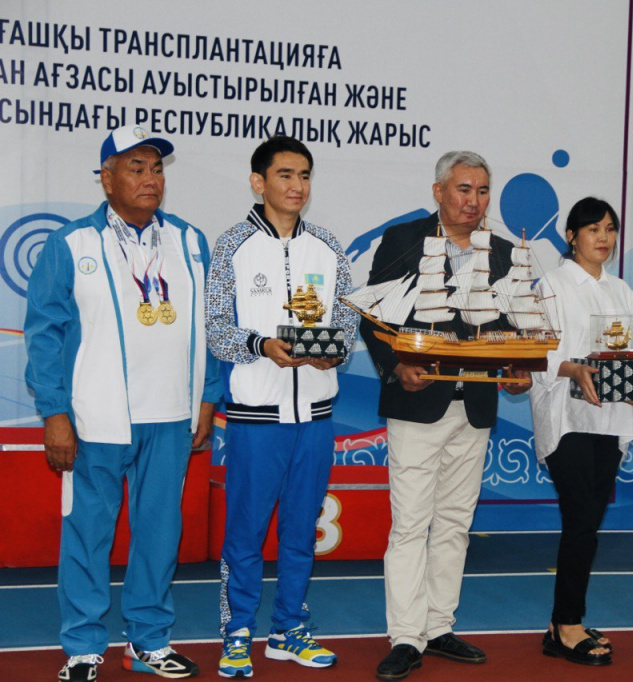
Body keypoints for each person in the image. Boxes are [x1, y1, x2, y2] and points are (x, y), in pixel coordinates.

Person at [25, 125, 220, 681]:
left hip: (171, 417)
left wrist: (206, 398)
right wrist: (55, 414)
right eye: (135, 168)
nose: (150, 179)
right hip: (95, 417)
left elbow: (208, 327)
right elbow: (45, 334)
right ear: (106, 178)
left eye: (156, 168)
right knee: (88, 534)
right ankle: (84, 648)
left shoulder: (188, 240)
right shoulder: (70, 244)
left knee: (159, 534)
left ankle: (149, 641)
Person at [362, 151, 533, 681]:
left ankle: (439, 626)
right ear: (438, 191)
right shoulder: (403, 241)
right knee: (411, 523)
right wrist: (396, 364)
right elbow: (375, 315)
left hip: (477, 405)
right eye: (463, 189)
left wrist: (518, 370)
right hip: (417, 404)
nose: (473, 201)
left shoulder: (503, 253)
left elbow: (515, 326)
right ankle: (406, 637)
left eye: (482, 191)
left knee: (456, 523)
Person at [205, 136, 356, 678]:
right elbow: (218, 331)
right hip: (255, 417)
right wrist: (262, 346)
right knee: (245, 533)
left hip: (314, 417)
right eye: (286, 175)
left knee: (300, 530)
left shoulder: (328, 247)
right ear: (258, 181)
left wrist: (333, 349)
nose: (297, 186)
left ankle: (290, 629)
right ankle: (238, 632)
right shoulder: (232, 247)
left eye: (305, 176)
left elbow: (349, 324)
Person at [529, 197, 633, 666]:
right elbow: (538, 356)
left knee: (588, 524)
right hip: (567, 419)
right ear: (571, 236)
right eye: (593, 228)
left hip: (610, 420)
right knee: (580, 521)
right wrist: (574, 368)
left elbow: (632, 353)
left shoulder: (623, 291)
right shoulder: (550, 286)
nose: (604, 237)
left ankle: (563, 621)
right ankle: (567, 624)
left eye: (611, 228)